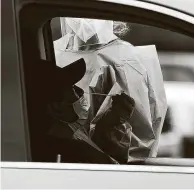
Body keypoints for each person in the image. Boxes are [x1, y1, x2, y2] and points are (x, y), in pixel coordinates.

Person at [50, 18, 167, 164]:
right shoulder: (52, 52)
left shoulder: (128, 61)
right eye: (75, 92)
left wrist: (108, 127)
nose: (79, 95)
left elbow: (134, 151)